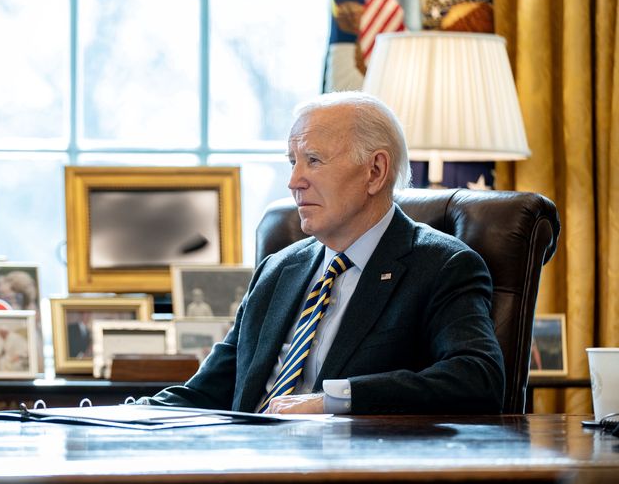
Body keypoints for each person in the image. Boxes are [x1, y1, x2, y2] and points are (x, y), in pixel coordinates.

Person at [147, 92, 504, 415]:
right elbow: (206, 393)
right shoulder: (279, 269)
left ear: (375, 171)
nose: (294, 181)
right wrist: (119, 417)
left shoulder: (441, 266)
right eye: (293, 162)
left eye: (313, 161)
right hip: (247, 462)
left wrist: (332, 401)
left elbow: (476, 377)